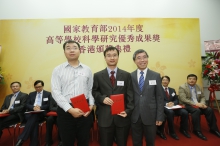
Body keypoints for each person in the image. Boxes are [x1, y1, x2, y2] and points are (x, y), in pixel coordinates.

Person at [51, 40, 94, 146]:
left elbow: (90, 89)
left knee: (84, 141)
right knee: (67, 141)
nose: (71, 50)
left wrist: (91, 105)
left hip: (85, 110)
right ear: (64, 52)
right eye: (68, 48)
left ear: (80, 51)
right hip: (65, 110)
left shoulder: (87, 69)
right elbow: (56, 91)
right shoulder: (58, 70)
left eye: (74, 47)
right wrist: (70, 109)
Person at [92, 46, 134, 146]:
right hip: (105, 117)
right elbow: (94, 92)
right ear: (105, 58)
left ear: (118, 57)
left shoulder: (126, 75)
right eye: (109, 55)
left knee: (122, 143)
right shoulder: (98, 75)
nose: (112, 58)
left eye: (115, 55)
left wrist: (128, 111)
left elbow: (130, 95)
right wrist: (102, 98)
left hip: (122, 116)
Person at [130, 49, 164, 146]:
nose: (142, 60)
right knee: (136, 142)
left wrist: (160, 116)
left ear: (147, 59)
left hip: (151, 115)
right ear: (134, 61)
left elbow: (160, 97)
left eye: (144, 57)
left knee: (150, 141)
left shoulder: (156, 75)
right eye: (139, 58)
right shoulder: (130, 76)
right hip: (135, 115)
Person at [178, 74, 220, 140]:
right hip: (187, 105)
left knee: (209, 110)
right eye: (190, 79)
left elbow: (202, 97)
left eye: (194, 79)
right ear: (187, 80)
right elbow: (183, 99)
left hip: (199, 104)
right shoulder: (182, 87)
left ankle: (213, 129)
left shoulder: (198, 86)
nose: (192, 80)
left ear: (196, 80)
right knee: (196, 111)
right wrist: (196, 104)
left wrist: (202, 103)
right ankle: (197, 130)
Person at [16, 80, 51, 146]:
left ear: (43, 86)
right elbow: (27, 104)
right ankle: (33, 143)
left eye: (39, 87)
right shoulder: (31, 94)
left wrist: (40, 107)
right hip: (30, 113)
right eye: (36, 87)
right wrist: (33, 107)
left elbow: (49, 105)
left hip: (41, 113)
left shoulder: (48, 94)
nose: (38, 88)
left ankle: (22, 139)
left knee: (34, 117)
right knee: (34, 119)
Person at [157, 76, 190, 140]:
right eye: (163, 80)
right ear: (161, 81)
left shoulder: (172, 90)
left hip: (173, 106)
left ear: (169, 82)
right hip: (163, 107)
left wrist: (173, 103)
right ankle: (172, 132)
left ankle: (183, 130)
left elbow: (176, 99)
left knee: (184, 112)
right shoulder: (158, 90)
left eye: (166, 80)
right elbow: (157, 100)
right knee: (170, 112)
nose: (165, 81)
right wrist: (166, 103)